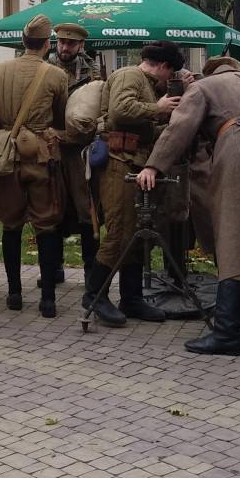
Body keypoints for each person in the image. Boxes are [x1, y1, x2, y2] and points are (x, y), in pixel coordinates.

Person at [135, 55, 240, 354]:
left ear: (210, 71)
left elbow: (180, 128)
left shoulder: (205, 87)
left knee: (233, 234)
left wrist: (154, 166)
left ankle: (227, 332)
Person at [0, 14, 69, 317]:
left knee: (11, 225)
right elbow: (60, 118)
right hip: (40, 156)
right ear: (46, 44)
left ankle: (14, 294)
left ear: (23, 41)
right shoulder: (55, 75)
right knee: (46, 225)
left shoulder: (0, 71)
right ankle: (49, 300)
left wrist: (6, 126)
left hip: (8, 157)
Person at [87, 42, 183, 326]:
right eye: (170, 73)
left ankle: (131, 298)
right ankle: (94, 296)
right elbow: (119, 112)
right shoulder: (130, 76)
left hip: (135, 163)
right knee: (119, 232)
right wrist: (159, 107)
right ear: (163, 66)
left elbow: (141, 129)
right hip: (118, 163)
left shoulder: (145, 82)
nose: (168, 80)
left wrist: (173, 125)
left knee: (137, 234)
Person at [49, 23, 102, 288]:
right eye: (61, 42)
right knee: (53, 206)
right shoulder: (45, 69)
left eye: (70, 44)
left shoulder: (92, 72)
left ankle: (91, 271)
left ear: (80, 45)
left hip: (79, 151)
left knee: (85, 208)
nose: (64, 48)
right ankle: (53, 266)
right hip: (52, 145)